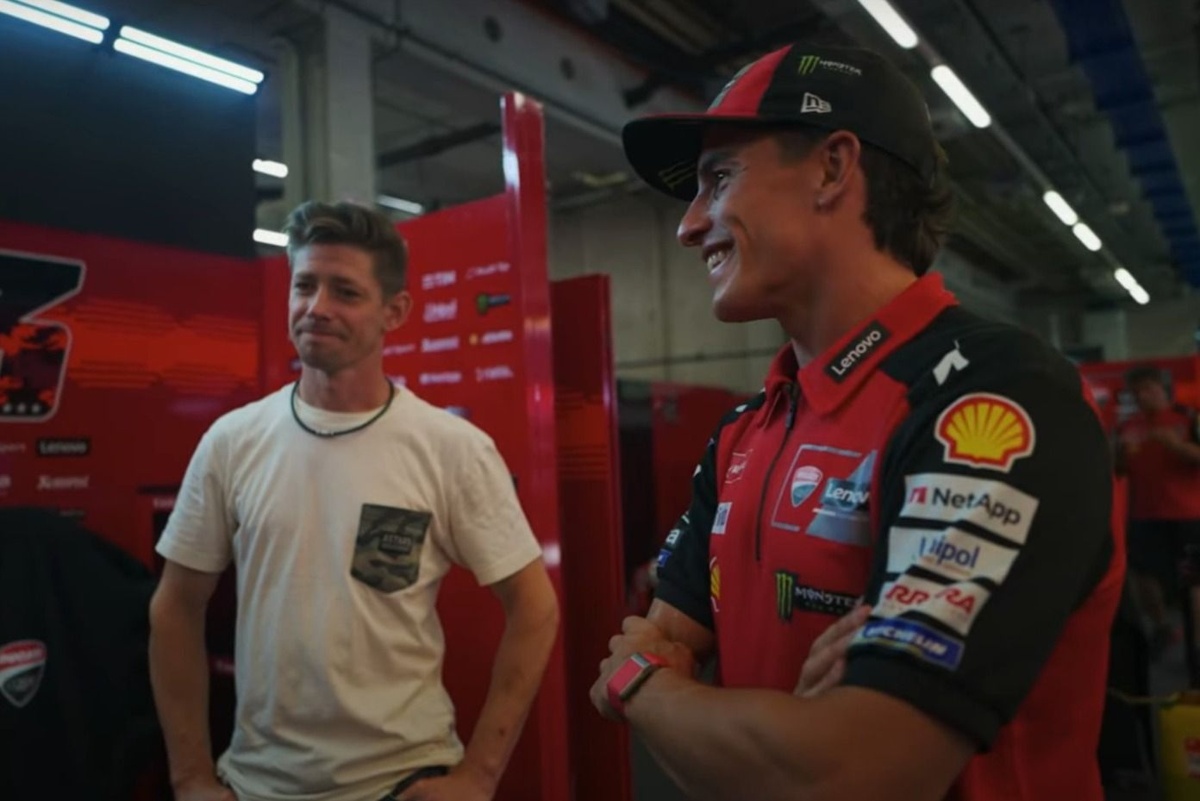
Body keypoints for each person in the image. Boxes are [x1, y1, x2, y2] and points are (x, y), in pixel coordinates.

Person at [590, 41, 1124, 801]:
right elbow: (662, 641)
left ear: (833, 168)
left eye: (720, 178)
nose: (688, 225)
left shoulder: (996, 396)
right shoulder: (745, 429)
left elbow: (852, 771)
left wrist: (641, 686)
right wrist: (751, 723)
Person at [150, 200, 560, 801]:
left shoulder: (451, 449)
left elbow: (535, 609)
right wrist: (189, 775)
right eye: (304, 285)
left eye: (344, 292)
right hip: (257, 783)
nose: (317, 307)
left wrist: (480, 775)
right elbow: (175, 607)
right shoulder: (232, 442)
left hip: (402, 780)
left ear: (395, 312)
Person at [1115, 364, 1200, 662]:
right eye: (1136, 391)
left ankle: (1197, 645)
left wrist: (1175, 446)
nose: (1142, 396)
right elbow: (1120, 470)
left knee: (1193, 581)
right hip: (1145, 515)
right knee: (1142, 575)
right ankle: (1163, 627)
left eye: (1148, 389)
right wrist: (1120, 455)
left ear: (1163, 389)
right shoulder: (1128, 426)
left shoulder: (1188, 418)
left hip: (1188, 515)